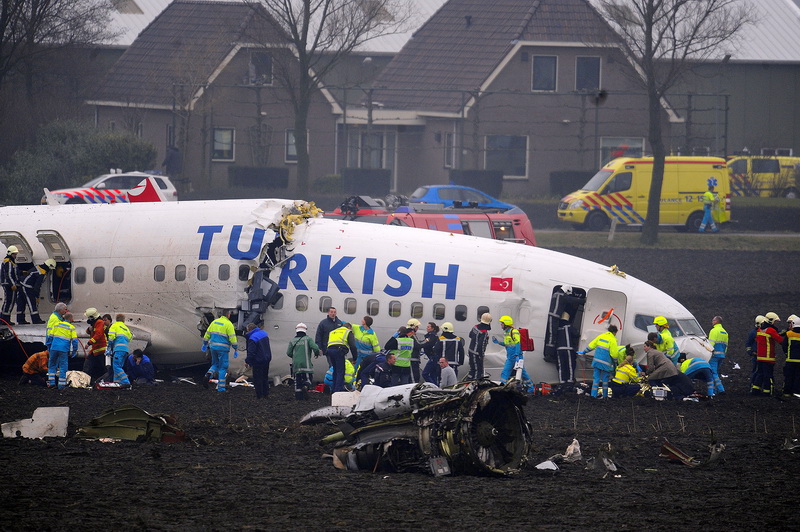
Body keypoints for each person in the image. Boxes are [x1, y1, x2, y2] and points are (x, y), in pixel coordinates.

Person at [493, 316, 535, 393]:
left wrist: (517, 355)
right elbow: (507, 344)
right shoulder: (506, 332)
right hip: (511, 356)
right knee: (508, 372)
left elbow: (517, 342)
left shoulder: (514, 331)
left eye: (502, 323)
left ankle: (531, 389)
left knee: (519, 373)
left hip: (516, 356)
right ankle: (502, 387)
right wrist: (498, 342)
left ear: (506, 324)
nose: (501, 325)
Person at [578, 324, 619, 399]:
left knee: (596, 379)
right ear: (614, 332)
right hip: (606, 364)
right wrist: (616, 362)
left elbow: (591, 345)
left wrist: (584, 352)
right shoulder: (612, 339)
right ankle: (605, 396)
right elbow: (614, 354)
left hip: (596, 362)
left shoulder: (601, 336)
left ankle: (593, 396)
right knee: (605, 380)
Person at [202, 310, 238, 392]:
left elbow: (207, 334)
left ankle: (208, 374)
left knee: (215, 364)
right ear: (228, 315)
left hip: (213, 347)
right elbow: (232, 338)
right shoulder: (229, 324)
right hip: (223, 349)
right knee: (223, 368)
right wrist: (235, 348)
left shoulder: (214, 322)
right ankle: (221, 388)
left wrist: (204, 343)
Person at [752, 312, 784, 396]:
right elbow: (780, 340)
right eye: (775, 321)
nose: (776, 323)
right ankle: (767, 391)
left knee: (760, 374)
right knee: (768, 375)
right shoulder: (771, 330)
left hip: (759, 358)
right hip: (768, 357)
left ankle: (755, 390)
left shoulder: (759, 330)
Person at [15, 259, 55, 325]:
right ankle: (36, 320)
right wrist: (36, 296)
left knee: (21, 303)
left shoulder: (37, 267)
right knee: (32, 303)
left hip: (21, 285)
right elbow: (37, 286)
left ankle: (20, 320)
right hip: (27, 287)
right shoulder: (42, 273)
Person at [286, 323, 319, 399]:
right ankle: (305, 386)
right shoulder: (308, 339)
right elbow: (315, 348)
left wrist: (295, 357)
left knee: (297, 381)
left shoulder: (292, 341)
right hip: (306, 365)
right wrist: (316, 353)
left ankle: (298, 397)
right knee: (307, 379)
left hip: (296, 366)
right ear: (305, 330)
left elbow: (288, 353)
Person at [48, 311, 78, 389]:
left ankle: (51, 383)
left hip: (54, 348)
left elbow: (50, 337)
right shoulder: (71, 328)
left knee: (52, 365)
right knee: (63, 367)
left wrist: (49, 346)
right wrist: (74, 350)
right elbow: (75, 341)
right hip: (63, 349)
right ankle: (61, 385)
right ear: (70, 318)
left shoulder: (56, 325)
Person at [326, 321, 357, 393]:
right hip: (339, 351)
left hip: (330, 350)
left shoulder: (333, 331)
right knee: (340, 371)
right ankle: (338, 390)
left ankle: (333, 389)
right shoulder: (348, 331)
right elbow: (353, 346)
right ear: (349, 327)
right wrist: (354, 358)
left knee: (335, 370)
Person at [244, 323, 272, 399]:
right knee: (265, 377)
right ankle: (266, 394)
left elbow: (251, 352)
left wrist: (247, 361)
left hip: (258, 361)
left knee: (257, 378)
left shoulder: (252, 338)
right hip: (267, 358)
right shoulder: (264, 333)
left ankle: (259, 396)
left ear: (249, 329)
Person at [107, 314, 133, 387]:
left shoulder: (114, 326)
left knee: (116, 366)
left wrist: (109, 347)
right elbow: (130, 338)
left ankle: (126, 382)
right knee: (119, 366)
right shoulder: (126, 328)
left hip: (118, 349)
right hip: (125, 350)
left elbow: (111, 337)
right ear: (123, 320)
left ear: (116, 319)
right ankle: (117, 382)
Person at [83, 307, 107, 383]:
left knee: (103, 367)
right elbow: (91, 332)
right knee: (89, 365)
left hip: (101, 349)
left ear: (92, 317)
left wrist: (89, 343)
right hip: (95, 350)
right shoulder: (95, 324)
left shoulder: (99, 323)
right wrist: (89, 329)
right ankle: (86, 380)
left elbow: (98, 334)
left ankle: (104, 380)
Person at [467, 313, 492, 380]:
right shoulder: (484, 332)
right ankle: (474, 383)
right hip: (477, 354)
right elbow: (481, 345)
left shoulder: (475, 327)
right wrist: (481, 355)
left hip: (470, 350)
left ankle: (468, 381)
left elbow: (470, 335)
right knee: (478, 371)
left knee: (472, 369)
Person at [708, 315, 728, 394]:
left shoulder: (714, 331)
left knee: (713, 373)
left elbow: (711, 344)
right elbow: (726, 346)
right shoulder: (725, 332)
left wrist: (708, 352)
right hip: (722, 356)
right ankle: (714, 390)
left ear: (716, 321)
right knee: (715, 373)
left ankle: (721, 389)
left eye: (713, 320)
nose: (712, 322)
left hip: (714, 356)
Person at [0, 245, 20, 324]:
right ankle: (5, 320)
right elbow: (9, 274)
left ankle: (4, 319)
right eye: (14, 254)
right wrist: (13, 284)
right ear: (11, 254)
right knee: (9, 301)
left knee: (8, 301)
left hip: (7, 284)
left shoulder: (9, 261)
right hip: (8, 285)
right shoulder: (8, 262)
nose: (15, 256)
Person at [783, 314, 800, 397]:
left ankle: (787, 392)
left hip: (790, 360)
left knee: (788, 377)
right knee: (798, 378)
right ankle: (796, 393)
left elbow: (784, 345)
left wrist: (787, 353)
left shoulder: (789, 334)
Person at [746, 315, 765, 390]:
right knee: (756, 371)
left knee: (759, 371)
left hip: (759, 355)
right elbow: (748, 343)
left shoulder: (754, 332)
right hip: (757, 355)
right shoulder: (754, 332)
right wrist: (751, 352)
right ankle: (752, 386)